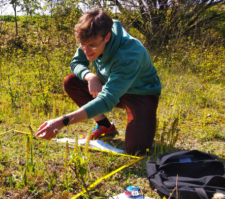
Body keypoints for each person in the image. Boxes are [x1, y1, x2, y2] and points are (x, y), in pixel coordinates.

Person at [36, 9, 161, 155]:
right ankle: (104, 127)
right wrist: (90, 76)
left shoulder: (130, 54)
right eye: (82, 44)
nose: (86, 50)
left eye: (93, 45)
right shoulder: (92, 35)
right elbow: (76, 62)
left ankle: (141, 117)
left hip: (140, 93)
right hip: (111, 86)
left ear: (107, 37)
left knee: (137, 149)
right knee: (72, 82)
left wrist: (63, 121)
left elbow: (106, 100)